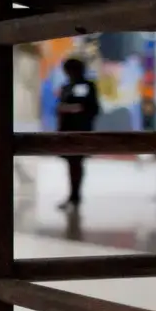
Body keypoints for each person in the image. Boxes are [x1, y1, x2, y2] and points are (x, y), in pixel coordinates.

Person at [55, 56, 99, 212]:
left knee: (77, 163)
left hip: (81, 130)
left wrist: (72, 108)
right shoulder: (66, 87)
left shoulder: (88, 86)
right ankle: (73, 195)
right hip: (67, 131)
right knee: (71, 164)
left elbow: (91, 108)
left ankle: (75, 196)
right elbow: (59, 107)